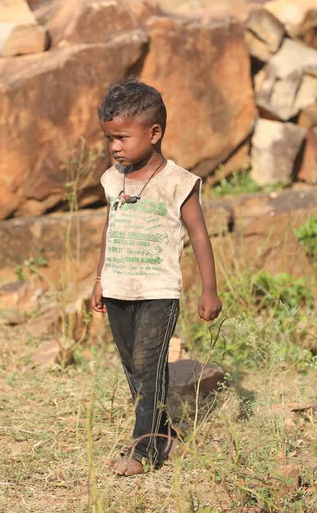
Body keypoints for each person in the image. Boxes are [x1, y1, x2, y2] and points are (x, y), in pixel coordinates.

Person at [92, 78, 222, 477]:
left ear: (154, 133)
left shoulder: (177, 182)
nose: (114, 147)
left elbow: (199, 235)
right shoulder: (114, 179)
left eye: (121, 138)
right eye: (109, 138)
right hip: (118, 287)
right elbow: (109, 228)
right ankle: (163, 434)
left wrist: (209, 290)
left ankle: (144, 450)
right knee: (135, 370)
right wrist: (99, 278)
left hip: (158, 292)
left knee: (149, 367)